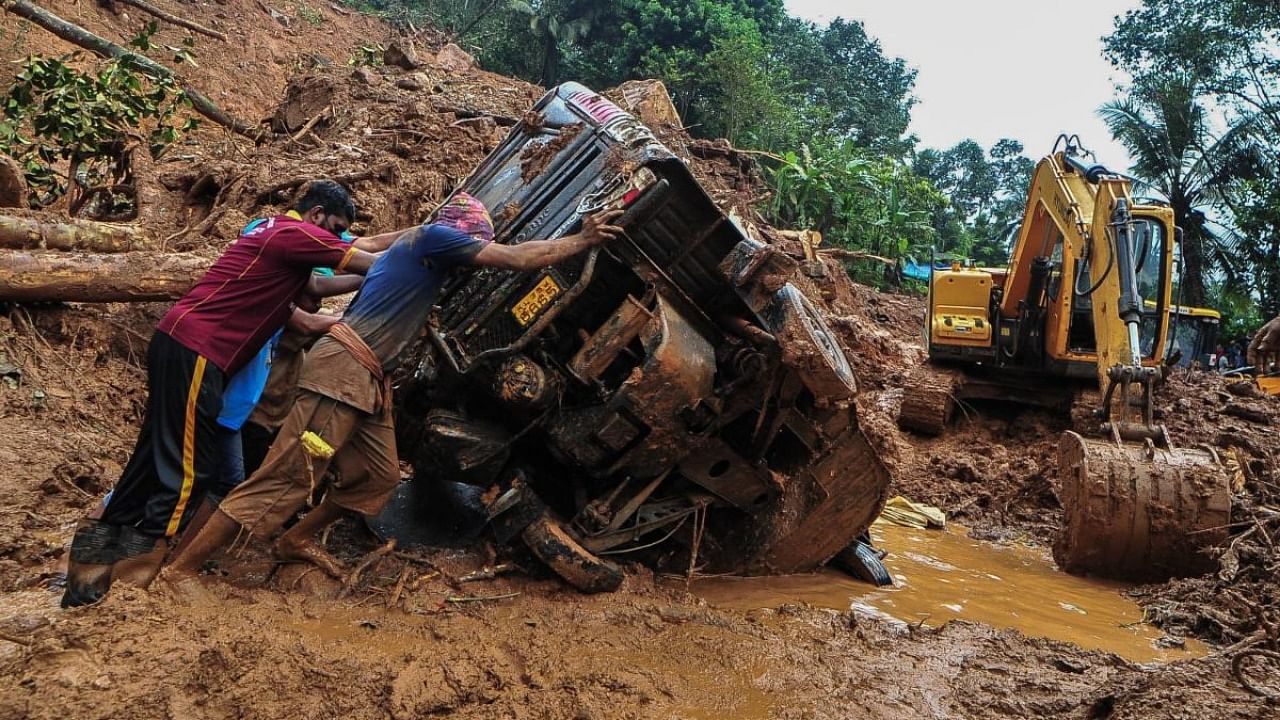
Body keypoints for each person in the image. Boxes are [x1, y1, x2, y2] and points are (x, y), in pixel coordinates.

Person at [166, 193, 625, 581]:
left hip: (367, 380)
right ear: (457, 235)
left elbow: (376, 261)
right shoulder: (434, 238)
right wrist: (582, 239)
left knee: (379, 477)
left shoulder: (415, 248)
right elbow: (516, 258)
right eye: (472, 245)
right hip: (342, 373)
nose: (471, 254)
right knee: (286, 477)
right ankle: (181, 571)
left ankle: (295, 539)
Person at [62, 180, 380, 608]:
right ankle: (135, 583)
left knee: (149, 460)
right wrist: (425, 256)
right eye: (336, 228)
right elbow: (369, 261)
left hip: (179, 341)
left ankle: (87, 577)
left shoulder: (270, 239)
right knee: (187, 470)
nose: (336, 238)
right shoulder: (294, 233)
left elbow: (319, 291)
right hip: (200, 350)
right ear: (318, 215)